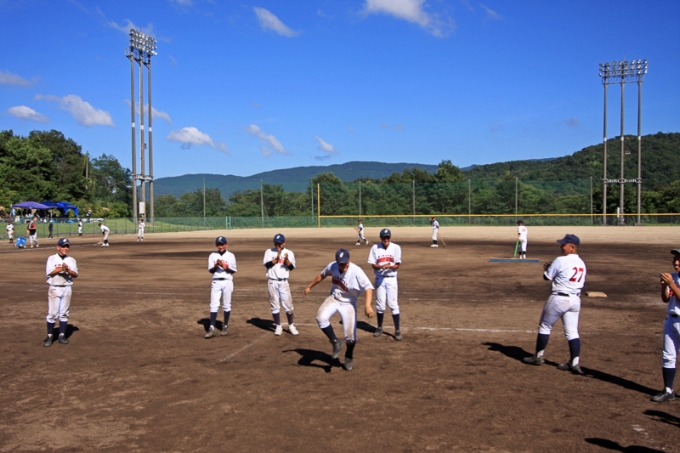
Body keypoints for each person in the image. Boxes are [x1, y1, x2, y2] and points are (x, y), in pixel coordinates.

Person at [523, 234, 587, 373]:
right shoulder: (581, 263)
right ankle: (574, 363)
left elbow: (546, 277)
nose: (561, 247)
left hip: (559, 299)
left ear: (572, 247)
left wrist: (548, 269)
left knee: (545, 327)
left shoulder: (560, 260)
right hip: (575, 300)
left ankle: (538, 357)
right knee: (572, 332)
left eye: (564, 245)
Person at [303, 248, 375, 371]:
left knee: (350, 337)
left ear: (349, 260)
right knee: (320, 318)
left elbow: (368, 288)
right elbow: (322, 275)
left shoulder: (356, 271)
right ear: (337, 262)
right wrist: (309, 286)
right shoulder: (333, 266)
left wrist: (367, 305)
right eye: (341, 263)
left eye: (346, 262)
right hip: (334, 298)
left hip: (349, 303)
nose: (344, 265)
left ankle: (349, 355)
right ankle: (335, 341)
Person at [653, 249, 680, 402]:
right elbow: (665, 299)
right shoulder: (673, 277)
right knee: (668, 355)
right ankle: (668, 390)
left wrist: (671, 284)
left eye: (679, 259)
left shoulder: (673, 280)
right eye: (675, 258)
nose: (676, 262)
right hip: (671, 319)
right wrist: (664, 286)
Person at [368, 228, 403, 341]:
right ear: (381, 238)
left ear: (390, 238)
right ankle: (379, 328)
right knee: (380, 305)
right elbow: (373, 265)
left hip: (392, 279)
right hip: (380, 278)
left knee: (393, 304)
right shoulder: (375, 248)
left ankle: (397, 330)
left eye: (387, 237)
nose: (386, 239)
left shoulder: (396, 248)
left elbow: (397, 265)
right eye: (384, 237)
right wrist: (381, 266)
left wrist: (389, 266)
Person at [44, 238, 78, 347]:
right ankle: (50, 335)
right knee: (53, 313)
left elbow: (75, 274)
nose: (65, 248)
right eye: (63, 246)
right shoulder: (51, 259)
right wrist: (60, 269)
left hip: (67, 288)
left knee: (64, 313)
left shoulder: (71, 260)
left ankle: (62, 335)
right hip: (54, 288)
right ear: (58, 247)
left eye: (67, 246)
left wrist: (68, 270)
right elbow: (49, 272)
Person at [263, 233, 298, 336]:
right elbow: (267, 265)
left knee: (289, 306)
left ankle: (291, 326)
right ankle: (278, 326)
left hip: (283, 282)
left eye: (279, 243)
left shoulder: (289, 253)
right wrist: (276, 260)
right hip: (272, 281)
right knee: (274, 305)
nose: (277, 245)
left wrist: (286, 260)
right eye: (276, 243)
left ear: (284, 243)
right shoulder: (269, 252)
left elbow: (291, 267)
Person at [205, 236, 237, 338]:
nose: (220, 246)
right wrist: (216, 266)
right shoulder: (212, 255)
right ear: (216, 245)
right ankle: (212, 327)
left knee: (226, 304)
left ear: (226, 245)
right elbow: (210, 270)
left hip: (227, 281)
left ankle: (225, 325)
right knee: (213, 304)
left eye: (222, 244)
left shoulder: (231, 255)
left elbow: (233, 270)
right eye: (219, 245)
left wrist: (224, 266)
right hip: (216, 281)